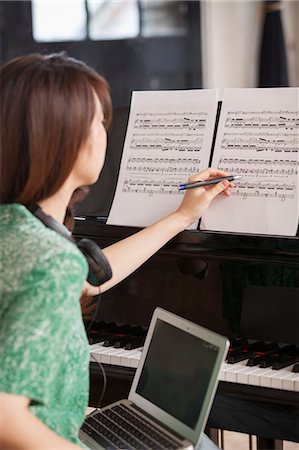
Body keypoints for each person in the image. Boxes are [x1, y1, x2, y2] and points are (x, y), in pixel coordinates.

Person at [0, 53, 233, 450]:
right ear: (63, 139)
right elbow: (5, 415)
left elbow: (89, 281)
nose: (104, 131)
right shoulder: (49, 260)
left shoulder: (15, 226)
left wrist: (182, 216)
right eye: (98, 121)